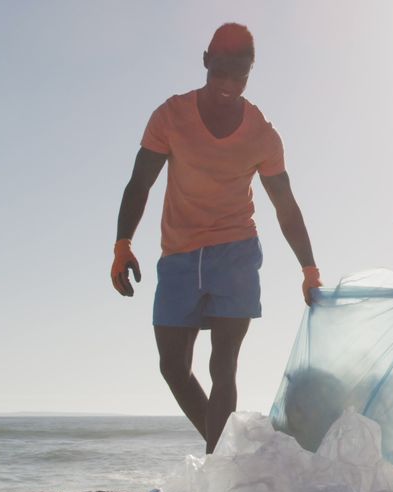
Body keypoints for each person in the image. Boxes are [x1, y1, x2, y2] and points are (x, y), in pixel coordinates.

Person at [110, 23, 321, 453]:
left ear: (250, 73)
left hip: (236, 252)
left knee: (223, 366)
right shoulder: (170, 116)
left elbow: (286, 206)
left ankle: (220, 467)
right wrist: (122, 244)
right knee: (173, 367)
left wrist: (309, 268)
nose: (228, 85)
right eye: (220, 72)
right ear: (206, 61)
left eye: (239, 76)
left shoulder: (262, 133)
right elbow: (139, 184)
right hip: (179, 255)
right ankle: (227, 451)